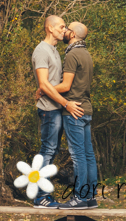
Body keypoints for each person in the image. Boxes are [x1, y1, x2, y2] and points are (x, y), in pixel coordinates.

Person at [30, 15, 84, 209]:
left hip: (56, 109)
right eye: (61, 27)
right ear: (50, 28)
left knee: (51, 151)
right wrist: (66, 103)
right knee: (47, 150)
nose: (64, 30)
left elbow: (50, 84)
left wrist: (47, 91)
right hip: (48, 110)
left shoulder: (53, 50)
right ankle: (40, 197)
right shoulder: (41, 50)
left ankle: (44, 195)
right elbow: (44, 83)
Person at [58, 21, 98, 210]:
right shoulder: (86, 54)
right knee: (88, 155)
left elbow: (66, 86)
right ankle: (90, 197)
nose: (65, 31)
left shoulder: (73, 54)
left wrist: (45, 88)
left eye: (67, 29)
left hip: (74, 110)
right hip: (86, 109)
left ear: (73, 34)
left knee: (78, 156)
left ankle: (79, 198)